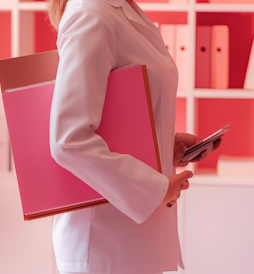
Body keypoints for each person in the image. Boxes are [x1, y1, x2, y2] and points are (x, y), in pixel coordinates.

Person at [47, 0, 221, 273]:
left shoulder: (122, 10)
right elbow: (69, 140)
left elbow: (116, 115)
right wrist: (154, 189)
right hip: (105, 241)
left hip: (133, 240)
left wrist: (166, 143)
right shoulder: (90, 14)